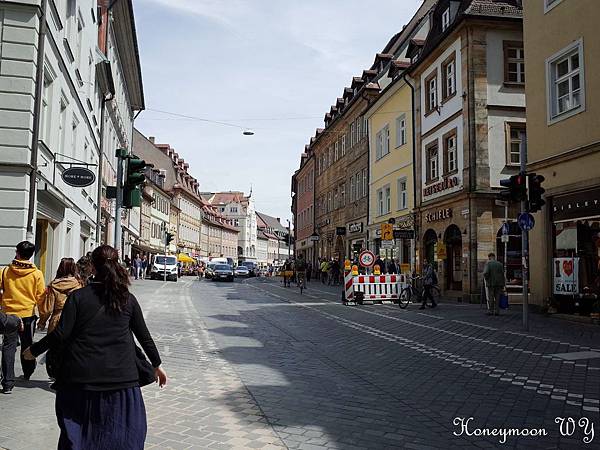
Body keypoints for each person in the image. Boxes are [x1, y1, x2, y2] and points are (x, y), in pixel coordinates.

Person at [24, 245, 167, 449]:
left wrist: (33, 350)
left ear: (92, 267)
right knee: (121, 439)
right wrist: (157, 364)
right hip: (121, 382)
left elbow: (61, 334)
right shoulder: (127, 299)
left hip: (80, 380)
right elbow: (145, 338)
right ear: (117, 265)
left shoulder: (78, 297)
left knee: (78, 437)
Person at [0, 241, 46, 393]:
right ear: (31, 255)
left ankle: (7, 382)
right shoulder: (36, 274)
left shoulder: (6, 271)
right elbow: (40, 297)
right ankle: (27, 372)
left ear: (17, 253)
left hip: (9, 315)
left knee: (8, 347)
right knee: (27, 345)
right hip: (27, 315)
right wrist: (43, 316)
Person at [38, 258, 84, 334]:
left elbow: (48, 309)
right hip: (74, 320)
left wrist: (42, 322)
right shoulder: (79, 284)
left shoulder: (54, 285)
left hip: (57, 319)